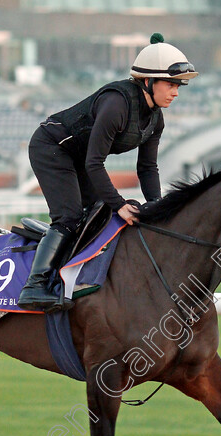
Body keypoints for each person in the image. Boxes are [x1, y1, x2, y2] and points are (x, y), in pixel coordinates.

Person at [17, 33, 198, 312]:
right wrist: (120, 204)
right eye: (171, 84)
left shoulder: (155, 119)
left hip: (78, 156)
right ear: (148, 81)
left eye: (179, 86)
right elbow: (94, 163)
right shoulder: (117, 104)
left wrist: (158, 208)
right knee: (69, 217)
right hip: (51, 148)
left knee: (98, 215)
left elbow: (147, 168)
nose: (176, 92)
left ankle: (77, 279)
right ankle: (35, 285)